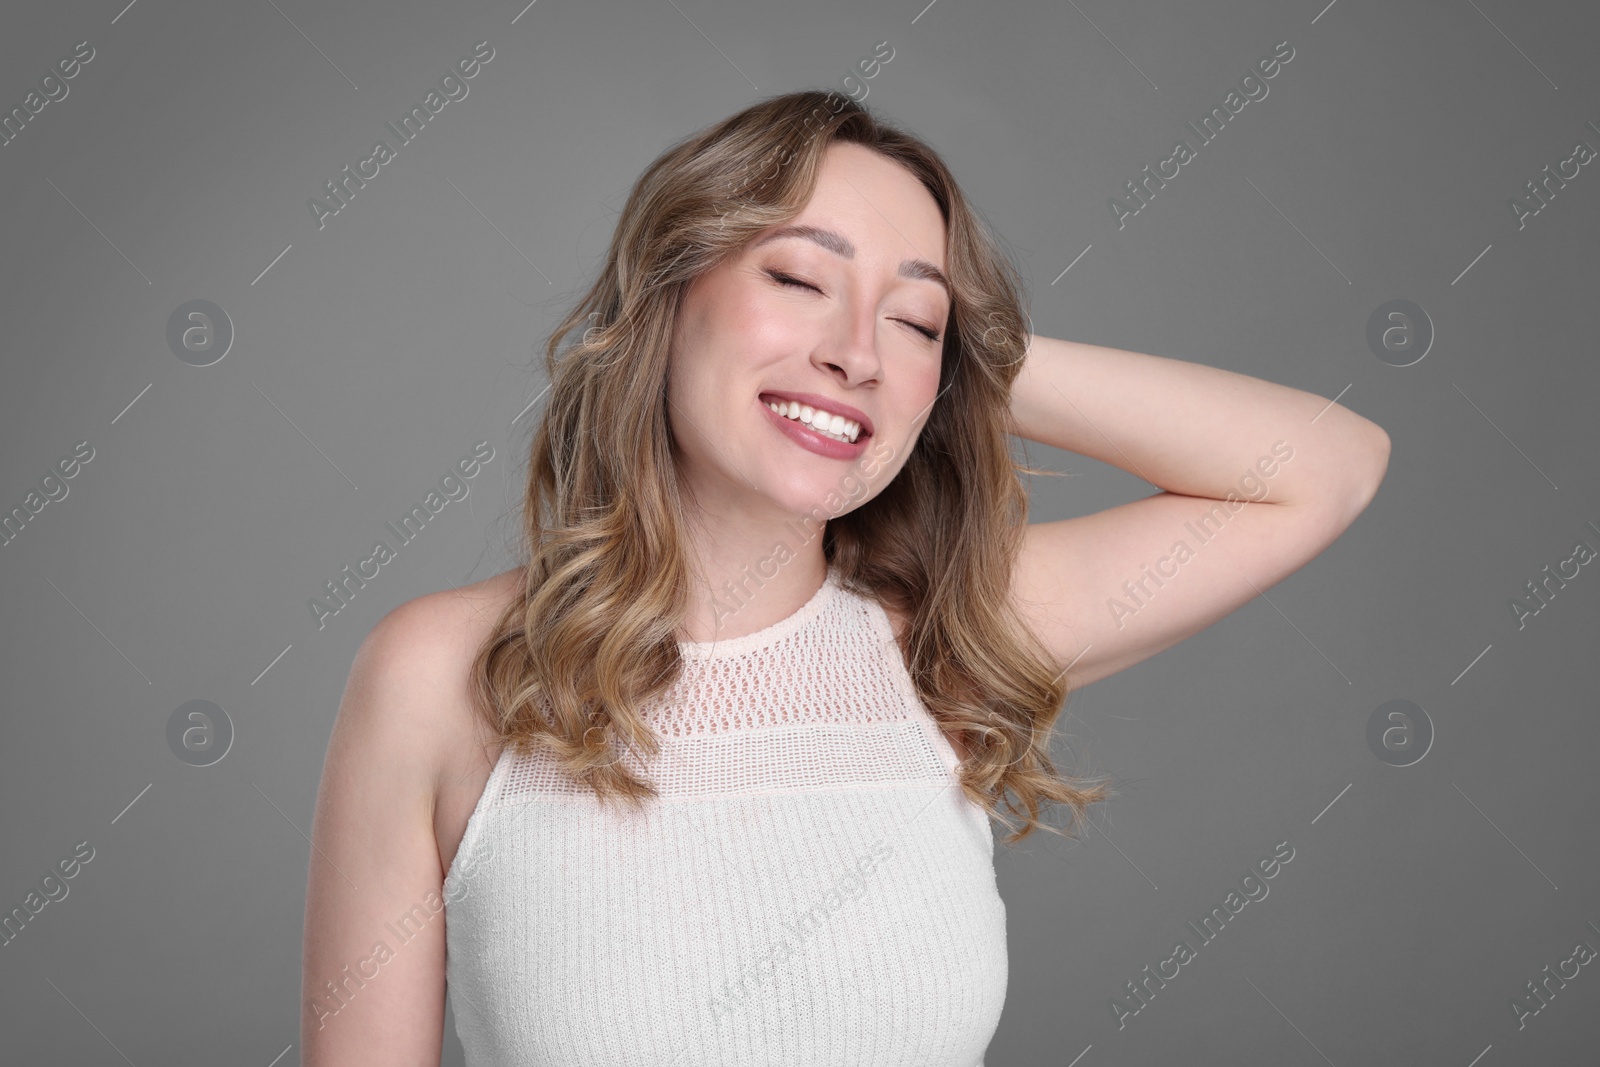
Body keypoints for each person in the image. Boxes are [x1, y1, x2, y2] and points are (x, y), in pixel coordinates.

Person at [300, 89, 1389, 1065]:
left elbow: (1327, 467)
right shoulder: (444, 674)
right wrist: (912, 333)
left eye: (914, 319)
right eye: (798, 278)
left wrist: (974, 360)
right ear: (667, 298)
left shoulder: (943, 641)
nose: (857, 352)